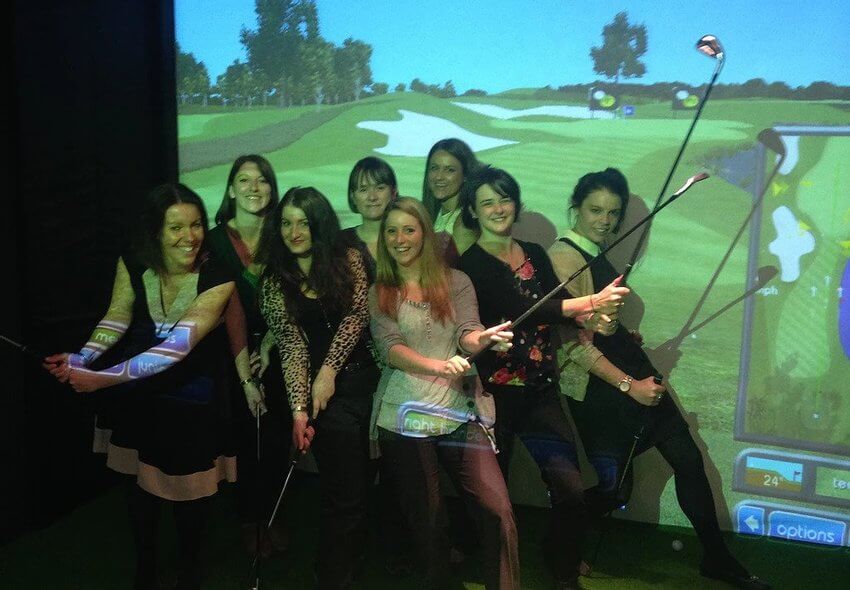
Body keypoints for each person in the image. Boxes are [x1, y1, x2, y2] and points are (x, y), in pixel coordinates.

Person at [548, 168, 770, 590]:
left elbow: (595, 326)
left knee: (688, 459)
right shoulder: (564, 256)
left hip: (630, 370)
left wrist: (621, 337)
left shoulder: (594, 249)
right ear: (575, 207)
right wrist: (629, 385)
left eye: (613, 212)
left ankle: (717, 559)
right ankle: (560, 543)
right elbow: (570, 346)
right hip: (603, 388)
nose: (605, 220)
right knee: (616, 490)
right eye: (595, 210)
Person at [44, 183, 237, 590]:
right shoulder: (134, 260)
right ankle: (145, 566)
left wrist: (100, 378)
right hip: (138, 395)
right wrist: (83, 357)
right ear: (155, 232)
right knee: (139, 487)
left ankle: (189, 567)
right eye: (176, 228)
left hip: (192, 394)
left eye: (197, 225)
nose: (190, 237)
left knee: (191, 495)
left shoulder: (219, 273)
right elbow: (117, 316)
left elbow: (176, 348)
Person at [458, 165, 630, 590]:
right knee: (490, 499)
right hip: (492, 396)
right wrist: (590, 301)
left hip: (539, 392)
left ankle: (562, 568)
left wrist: (596, 317)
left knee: (569, 489)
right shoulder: (471, 266)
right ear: (473, 212)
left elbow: (562, 306)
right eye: (488, 203)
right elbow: (529, 310)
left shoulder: (535, 252)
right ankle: (488, 568)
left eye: (505, 199)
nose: (499, 209)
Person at [369, 197, 520, 590]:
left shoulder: (457, 281)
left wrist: (480, 340)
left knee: (497, 509)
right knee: (431, 521)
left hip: (458, 407)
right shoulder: (382, 289)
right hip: (405, 413)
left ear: (425, 232)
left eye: (408, 229)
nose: (400, 239)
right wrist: (438, 365)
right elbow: (391, 349)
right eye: (391, 231)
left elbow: (466, 333)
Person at [257, 187, 378, 590]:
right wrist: (298, 410)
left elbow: (357, 316)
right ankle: (332, 574)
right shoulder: (275, 281)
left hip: (368, 380)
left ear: (319, 223)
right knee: (345, 490)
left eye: (303, 222)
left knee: (368, 480)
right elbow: (291, 347)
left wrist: (327, 370)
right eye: (287, 223)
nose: (294, 231)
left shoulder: (350, 258)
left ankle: (358, 555)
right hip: (325, 397)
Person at [206, 154, 290, 557]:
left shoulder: (283, 237)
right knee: (238, 439)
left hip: (275, 354)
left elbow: (293, 297)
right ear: (230, 189)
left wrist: (271, 343)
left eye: (262, 181)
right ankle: (247, 520)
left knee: (273, 441)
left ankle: (269, 516)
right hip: (225, 359)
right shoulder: (213, 240)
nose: (254, 188)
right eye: (244, 180)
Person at [338, 155, 399, 282]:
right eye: (363, 189)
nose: (372, 197)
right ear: (353, 196)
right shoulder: (339, 243)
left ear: (393, 192)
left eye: (380, 188)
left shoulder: (406, 239)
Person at [422, 138, 481, 263]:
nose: (439, 177)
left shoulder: (465, 222)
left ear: (465, 175)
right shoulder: (427, 215)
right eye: (434, 168)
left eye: (450, 170)